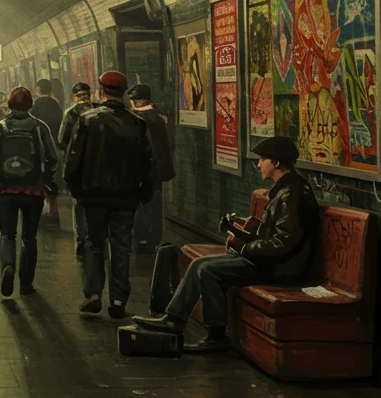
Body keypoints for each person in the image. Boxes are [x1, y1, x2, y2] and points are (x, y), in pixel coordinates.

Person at [134, 136, 317, 352]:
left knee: (209, 270)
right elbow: (270, 238)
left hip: (280, 269)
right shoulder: (285, 190)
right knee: (199, 264)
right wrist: (234, 230)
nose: (258, 165)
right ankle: (173, 319)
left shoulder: (291, 195)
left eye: (262, 160)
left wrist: (243, 248)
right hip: (270, 262)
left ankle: (216, 335)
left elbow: (283, 244)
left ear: (276, 163)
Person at [64, 71, 157, 319]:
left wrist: (74, 188)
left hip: (93, 197)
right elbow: (147, 162)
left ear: (101, 90)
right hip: (126, 197)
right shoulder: (136, 123)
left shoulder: (87, 119)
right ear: (124, 92)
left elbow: (74, 158)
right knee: (121, 247)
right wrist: (143, 192)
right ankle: (117, 300)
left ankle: (93, 293)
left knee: (94, 244)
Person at [0, 87, 58, 297]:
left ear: (9, 104)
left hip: (5, 189)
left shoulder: (0, 126)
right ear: (30, 105)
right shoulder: (39, 127)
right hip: (33, 189)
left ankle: (8, 265)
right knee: (29, 238)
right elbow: (52, 157)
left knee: (7, 234)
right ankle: (26, 284)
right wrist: (46, 178)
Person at [128, 84, 175, 249]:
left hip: (140, 168)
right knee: (155, 204)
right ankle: (154, 237)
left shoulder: (134, 119)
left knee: (140, 205)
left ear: (138, 102)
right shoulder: (159, 118)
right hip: (158, 169)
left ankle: (141, 236)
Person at [57, 81, 95, 257]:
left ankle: (82, 240)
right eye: (82, 95)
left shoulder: (70, 113)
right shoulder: (99, 111)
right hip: (94, 165)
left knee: (79, 204)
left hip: (77, 165)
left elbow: (62, 140)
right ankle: (91, 238)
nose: (83, 98)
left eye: (84, 95)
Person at [32, 78, 64, 219]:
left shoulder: (35, 107)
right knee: (53, 175)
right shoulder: (56, 106)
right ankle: (53, 207)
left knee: (40, 175)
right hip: (54, 144)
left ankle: (44, 206)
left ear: (38, 90)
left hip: (39, 146)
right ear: (50, 90)